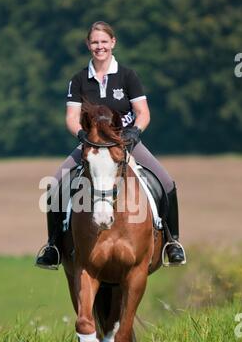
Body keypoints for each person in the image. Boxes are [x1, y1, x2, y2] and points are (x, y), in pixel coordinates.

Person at [36, 21, 186, 269]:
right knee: (55, 184)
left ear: (113, 43)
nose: (99, 46)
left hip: (125, 142)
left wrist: (135, 133)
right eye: (95, 42)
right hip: (92, 144)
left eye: (104, 42)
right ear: (88, 45)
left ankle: (173, 242)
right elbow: (71, 117)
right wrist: (82, 135)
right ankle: (53, 246)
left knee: (167, 183)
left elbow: (143, 112)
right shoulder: (79, 79)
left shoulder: (128, 76)